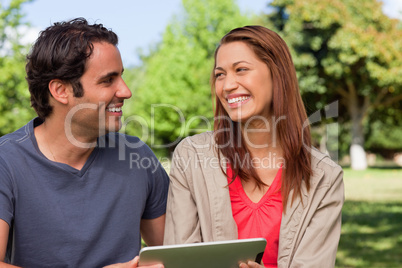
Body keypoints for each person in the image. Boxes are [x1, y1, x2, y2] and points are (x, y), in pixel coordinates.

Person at [163, 25, 344, 268]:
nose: (227, 85)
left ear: (277, 74)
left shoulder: (325, 177)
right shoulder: (191, 157)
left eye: (241, 70)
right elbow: (180, 259)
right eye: (220, 74)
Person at [0, 18, 168, 268]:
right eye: (107, 80)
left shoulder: (138, 157)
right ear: (61, 90)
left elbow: (174, 252)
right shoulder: (7, 161)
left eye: (121, 77)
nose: (125, 91)